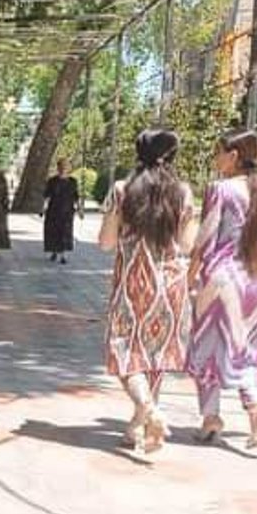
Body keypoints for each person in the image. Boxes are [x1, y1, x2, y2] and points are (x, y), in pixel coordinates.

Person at [186, 128, 257, 448]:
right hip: (255, 282)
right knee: (243, 348)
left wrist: (189, 275)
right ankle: (254, 410)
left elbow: (205, 239)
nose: (215, 159)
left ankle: (213, 417)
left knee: (206, 347)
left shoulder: (221, 189)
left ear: (233, 155)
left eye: (218, 152)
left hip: (221, 280)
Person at [98, 130, 196, 454]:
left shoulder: (122, 190)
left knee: (123, 352)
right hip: (170, 287)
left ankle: (148, 412)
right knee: (154, 356)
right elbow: (187, 245)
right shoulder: (183, 193)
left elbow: (106, 242)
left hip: (131, 286)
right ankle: (138, 427)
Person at [43, 158, 80, 264]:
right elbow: (47, 196)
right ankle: (54, 251)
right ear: (58, 168)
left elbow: (76, 196)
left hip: (67, 211)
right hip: (53, 210)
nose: (63, 169)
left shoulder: (72, 181)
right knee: (53, 231)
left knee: (66, 232)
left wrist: (79, 208)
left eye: (66, 166)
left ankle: (63, 255)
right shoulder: (52, 181)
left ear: (69, 168)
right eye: (61, 166)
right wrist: (43, 208)